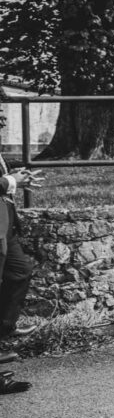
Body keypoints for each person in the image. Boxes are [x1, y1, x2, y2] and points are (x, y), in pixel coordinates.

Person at [0, 153, 44, 391]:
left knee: (20, 271)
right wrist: (10, 181)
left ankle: (5, 327)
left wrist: (16, 175)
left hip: (4, 225)